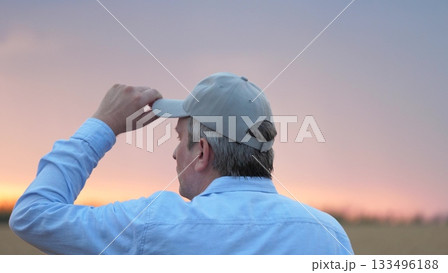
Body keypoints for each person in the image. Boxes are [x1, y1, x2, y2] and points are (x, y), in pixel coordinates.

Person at [9, 72, 353, 254]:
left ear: (203, 153)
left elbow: (33, 216)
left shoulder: (154, 225)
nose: (175, 154)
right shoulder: (329, 235)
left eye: (179, 139)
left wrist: (102, 126)